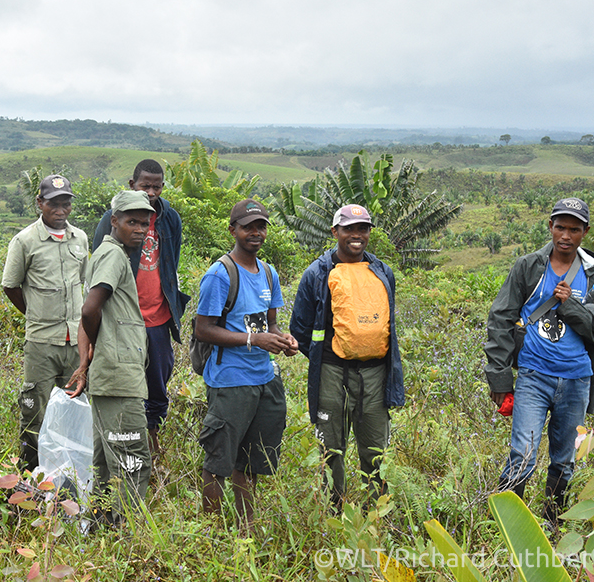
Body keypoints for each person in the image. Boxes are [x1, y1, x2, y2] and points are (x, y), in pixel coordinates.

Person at [485, 197, 594, 520]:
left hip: (577, 379)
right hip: (534, 374)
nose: (566, 235)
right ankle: (506, 523)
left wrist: (570, 307)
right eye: (560, 227)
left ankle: (552, 522)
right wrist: (500, 378)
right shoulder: (528, 267)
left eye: (574, 229)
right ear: (550, 226)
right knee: (523, 454)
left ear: (585, 232)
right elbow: (500, 319)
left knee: (564, 459)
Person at [290, 204, 404, 511]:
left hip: (375, 373)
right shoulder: (317, 273)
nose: (356, 235)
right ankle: (334, 510)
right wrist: (325, 355)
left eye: (363, 229)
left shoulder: (382, 272)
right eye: (349, 229)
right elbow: (299, 328)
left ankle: (375, 513)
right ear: (335, 232)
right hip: (331, 372)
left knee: (375, 447)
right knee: (331, 447)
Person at [195, 199, 298, 531]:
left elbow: (268, 326)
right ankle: (207, 531)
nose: (256, 232)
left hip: (264, 377)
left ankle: (245, 526)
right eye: (248, 226)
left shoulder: (268, 273)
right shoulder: (220, 274)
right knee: (219, 460)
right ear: (233, 230)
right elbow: (204, 329)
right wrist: (255, 341)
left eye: (261, 226)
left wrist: (283, 340)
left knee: (252, 460)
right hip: (229, 379)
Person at [67, 190, 155, 521]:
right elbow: (90, 309)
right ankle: (128, 536)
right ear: (114, 221)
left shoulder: (112, 253)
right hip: (119, 378)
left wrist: (88, 358)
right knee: (132, 460)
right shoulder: (114, 256)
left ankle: (101, 529)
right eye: (132, 222)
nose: (140, 229)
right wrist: (90, 353)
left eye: (144, 224)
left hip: (115, 374)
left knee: (107, 461)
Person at [92, 159, 189, 457]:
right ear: (132, 184)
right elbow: (100, 267)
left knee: (158, 383)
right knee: (126, 384)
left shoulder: (169, 219)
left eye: (156, 186)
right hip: (124, 320)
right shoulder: (114, 217)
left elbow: (171, 261)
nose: (151, 192)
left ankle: (153, 441)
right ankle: (120, 444)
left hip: (159, 316)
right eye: (145, 185)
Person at [2, 174, 88, 471]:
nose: (60, 210)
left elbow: (83, 282)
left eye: (65, 203)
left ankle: (70, 474)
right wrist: (35, 313)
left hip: (76, 340)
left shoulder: (80, 239)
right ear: (40, 203)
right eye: (54, 203)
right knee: (34, 410)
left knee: (74, 408)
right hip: (41, 341)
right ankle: (30, 474)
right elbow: (11, 285)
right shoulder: (25, 241)